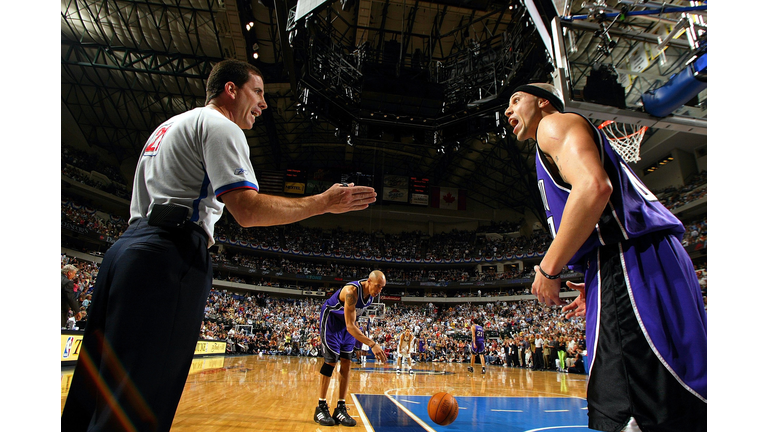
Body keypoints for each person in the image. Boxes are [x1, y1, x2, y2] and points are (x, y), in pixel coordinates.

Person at [62, 59, 378, 432]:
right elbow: (246, 210)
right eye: (257, 92)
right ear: (231, 89)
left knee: (95, 389)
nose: (263, 104)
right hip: (168, 254)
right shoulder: (221, 126)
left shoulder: (167, 126)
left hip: (125, 249)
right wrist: (322, 203)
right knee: (139, 396)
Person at [504, 83, 707, 431]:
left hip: (629, 261)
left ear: (543, 101)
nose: (508, 111)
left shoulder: (553, 125)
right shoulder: (560, 135)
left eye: (516, 100)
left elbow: (594, 187)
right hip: (641, 260)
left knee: (633, 402)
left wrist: (548, 269)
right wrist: (594, 277)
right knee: (677, 390)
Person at [315, 270, 388, 427]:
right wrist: (372, 344)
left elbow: (351, 322)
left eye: (382, 287)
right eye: (378, 286)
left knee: (347, 362)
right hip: (332, 321)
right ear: (369, 281)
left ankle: (340, 407)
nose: (379, 290)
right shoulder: (351, 292)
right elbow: (350, 325)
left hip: (348, 325)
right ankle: (320, 406)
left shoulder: (372, 295)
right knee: (331, 362)